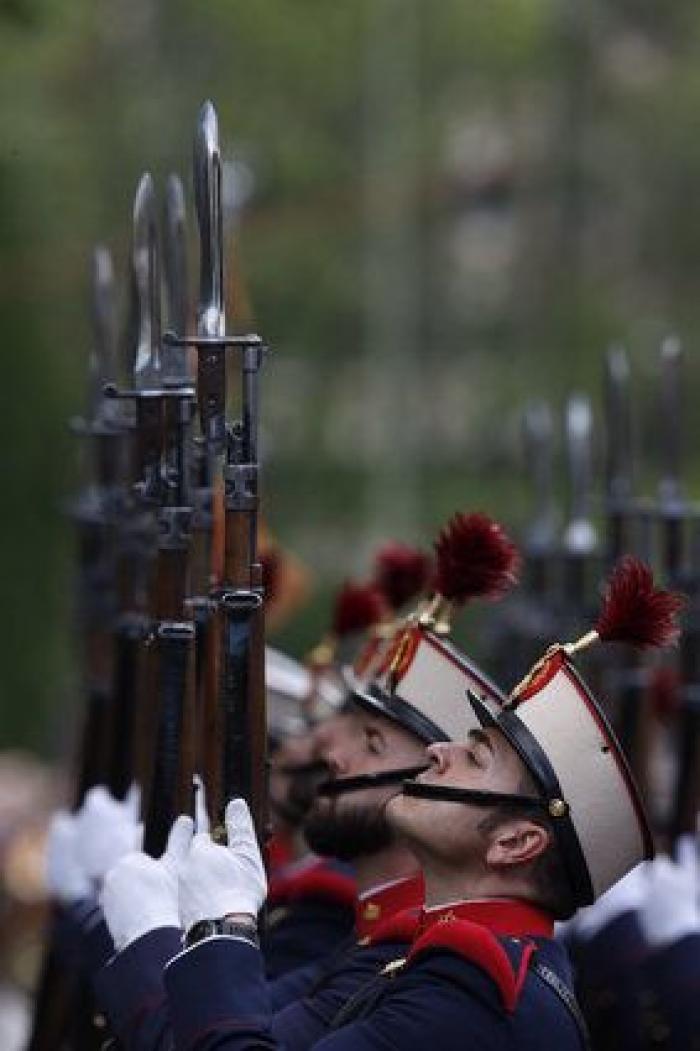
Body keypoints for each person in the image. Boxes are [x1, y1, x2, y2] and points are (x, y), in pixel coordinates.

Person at [153, 557, 672, 1050]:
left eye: (476, 757)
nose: (438, 751)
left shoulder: (470, 998)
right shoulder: (436, 963)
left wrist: (222, 929)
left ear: (515, 842)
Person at [93, 512, 517, 1050]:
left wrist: (157, 933)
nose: (327, 754)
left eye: (371, 743)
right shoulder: (370, 939)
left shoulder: (401, 955)